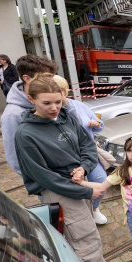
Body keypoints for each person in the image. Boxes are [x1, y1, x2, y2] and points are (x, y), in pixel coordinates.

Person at [14, 75, 125, 262]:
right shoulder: (26, 134)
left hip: (77, 181)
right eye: (47, 103)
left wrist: (83, 167)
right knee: (85, 237)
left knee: (75, 235)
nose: (54, 107)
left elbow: (87, 144)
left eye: (58, 101)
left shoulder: (66, 117)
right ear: (31, 99)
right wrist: (86, 190)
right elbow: (46, 178)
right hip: (60, 191)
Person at [52, 75, 108, 225]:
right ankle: (80, 216)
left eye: (60, 90)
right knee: (75, 187)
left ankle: (95, 209)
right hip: (68, 158)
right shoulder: (51, 111)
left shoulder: (79, 105)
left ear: (65, 91)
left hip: (88, 153)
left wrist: (96, 123)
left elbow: (100, 124)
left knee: (101, 180)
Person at [2, 55, 58, 175]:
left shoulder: (53, 101)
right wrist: (41, 182)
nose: (50, 82)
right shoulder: (13, 115)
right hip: (47, 181)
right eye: (44, 77)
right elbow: (15, 157)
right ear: (26, 78)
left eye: (51, 77)